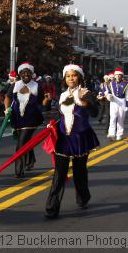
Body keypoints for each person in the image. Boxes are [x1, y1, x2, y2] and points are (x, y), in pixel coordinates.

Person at [45, 64, 99, 219]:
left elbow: (94, 112)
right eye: (68, 76)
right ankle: (52, 207)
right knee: (59, 173)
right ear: (64, 78)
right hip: (63, 137)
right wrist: (53, 123)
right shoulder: (62, 95)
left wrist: (82, 101)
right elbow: (62, 114)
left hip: (80, 137)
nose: (71, 78)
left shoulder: (86, 93)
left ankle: (83, 197)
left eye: (73, 75)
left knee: (79, 172)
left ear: (79, 77)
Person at [4, 62, 49, 178]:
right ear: (19, 74)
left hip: (31, 118)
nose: (26, 75)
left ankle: (19, 170)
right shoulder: (15, 85)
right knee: (25, 141)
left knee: (21, 142)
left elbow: (41, 102)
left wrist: (46, 100)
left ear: (32, 74)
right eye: (23, 73)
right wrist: (7, 109)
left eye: (28, 72)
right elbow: (7, 98)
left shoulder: (37, 86)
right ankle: (30, 160)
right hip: (17, 118)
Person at [105, 68, 128, 141]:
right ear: (115, 76)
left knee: (121, 118)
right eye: (117, 75)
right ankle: (111, 133)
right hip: (114, 101)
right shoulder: (111, 83)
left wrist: (127, 105)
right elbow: (108, 92)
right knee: (113, 117)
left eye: (119, 75)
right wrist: (109, 96)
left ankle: (119, 134)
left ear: (122, 76)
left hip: (122, 101)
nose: (118, 76)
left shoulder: (126, 84)